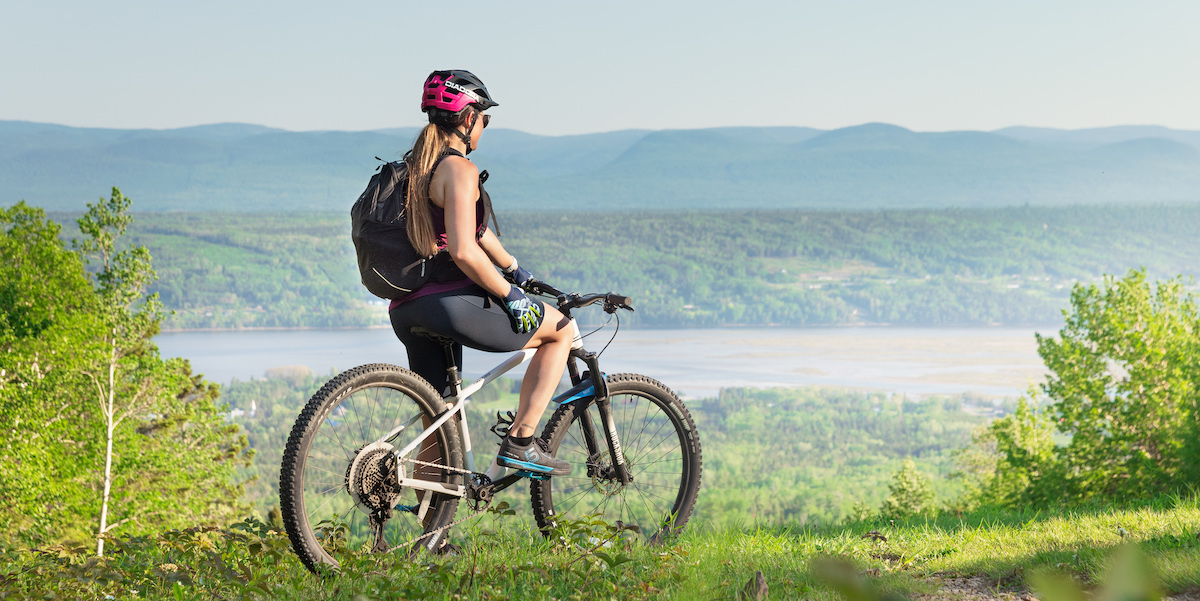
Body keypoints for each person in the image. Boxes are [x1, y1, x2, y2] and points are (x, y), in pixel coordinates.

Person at [390, 69, 573, 477]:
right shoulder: (458, 169)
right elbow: (464, 250)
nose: (484, 127)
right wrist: (510, 295)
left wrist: (515, 269)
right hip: (447, 305)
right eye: (485, 119)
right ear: (470, 117)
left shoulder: (413, 169)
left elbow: (474, 230)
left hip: (406, 308)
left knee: (439, 419)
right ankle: (521, 442)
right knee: (560, 329)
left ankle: (434, 537)